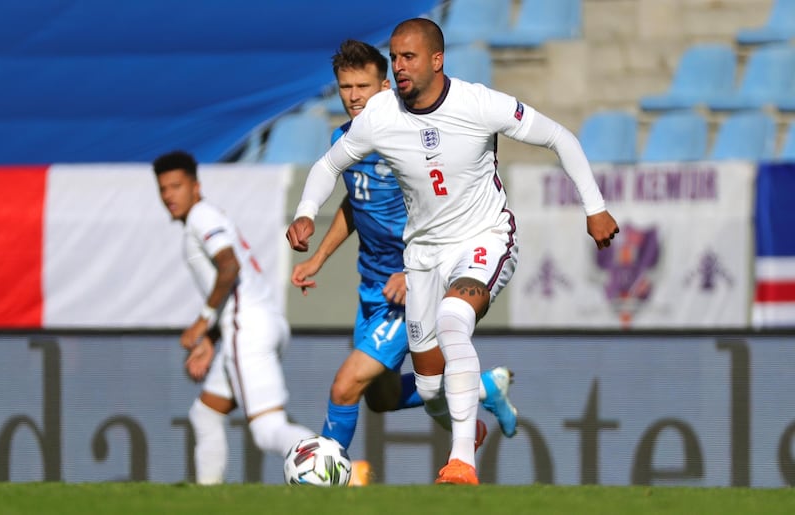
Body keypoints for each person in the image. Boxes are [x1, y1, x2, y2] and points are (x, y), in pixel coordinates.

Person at [287, 18, 619, 485]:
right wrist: (305, 211)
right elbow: (328, 166)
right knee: (427, 385)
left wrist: (595, 207)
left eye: (409, 58)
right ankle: (481, 405)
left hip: (484, 237)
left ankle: (461, 461)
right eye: (395, 57)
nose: (399, 67)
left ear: (436, 60)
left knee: (452, 320)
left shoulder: (478, 104)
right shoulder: (380, 117)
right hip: (422, 255)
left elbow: (559, 137)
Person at [290, 40, 520, 483]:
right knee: (381, 396)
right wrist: (319, 257)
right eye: (345, 87)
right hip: (372, 289)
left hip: (414, 281)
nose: (354, 96)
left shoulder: (411, 142)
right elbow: (356, 203)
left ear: (386, 87)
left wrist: (411, 272)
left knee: (345, 385)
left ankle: (329, 475)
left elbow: (445, 209)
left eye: (363, 86)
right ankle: (484, 389)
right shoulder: (346, 138)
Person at [154, 150, 314, 485]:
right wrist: (213, 339)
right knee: (205, 414)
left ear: (195, 186)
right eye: (163, 188)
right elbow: (235, 282)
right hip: (257, 321)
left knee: (267, 429)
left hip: (248, 327)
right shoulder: (207, 215)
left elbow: (229, 268)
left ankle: (337, 467)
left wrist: (202, 322)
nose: (169, 195)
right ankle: (209, 495)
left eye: (176, 186)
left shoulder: (200, 216)